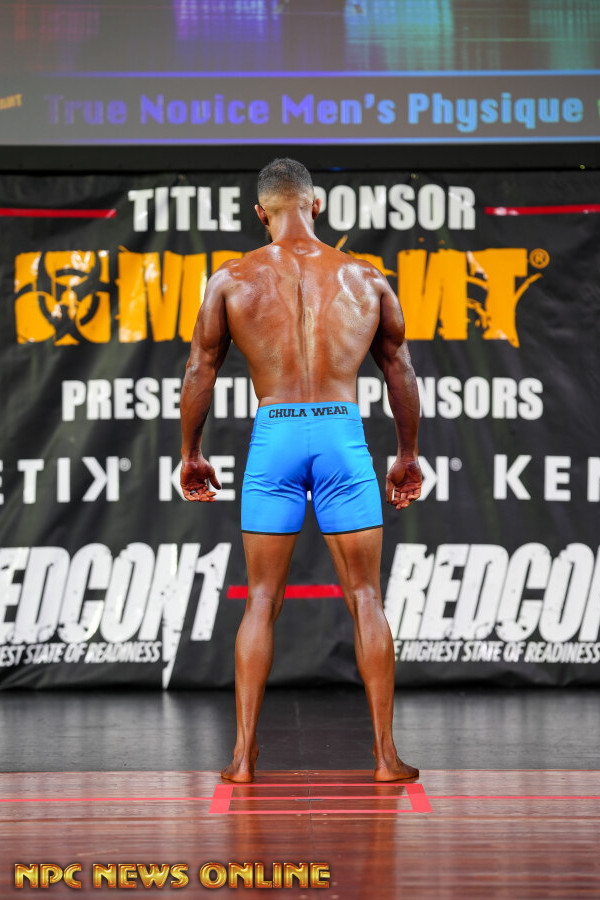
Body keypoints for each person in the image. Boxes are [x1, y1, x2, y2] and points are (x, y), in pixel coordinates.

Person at [180, 158, 422, 783]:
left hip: (276, 435)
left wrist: (191, 452)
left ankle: (242, 758)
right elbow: (399, 368)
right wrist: (406, 454)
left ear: (260, 213)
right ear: (317, 205)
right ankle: (385, 758)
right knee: (366, 597)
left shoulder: (232, 279)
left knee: (261, 599)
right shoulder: (366, 279)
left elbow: (200, 369)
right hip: (341, 434)